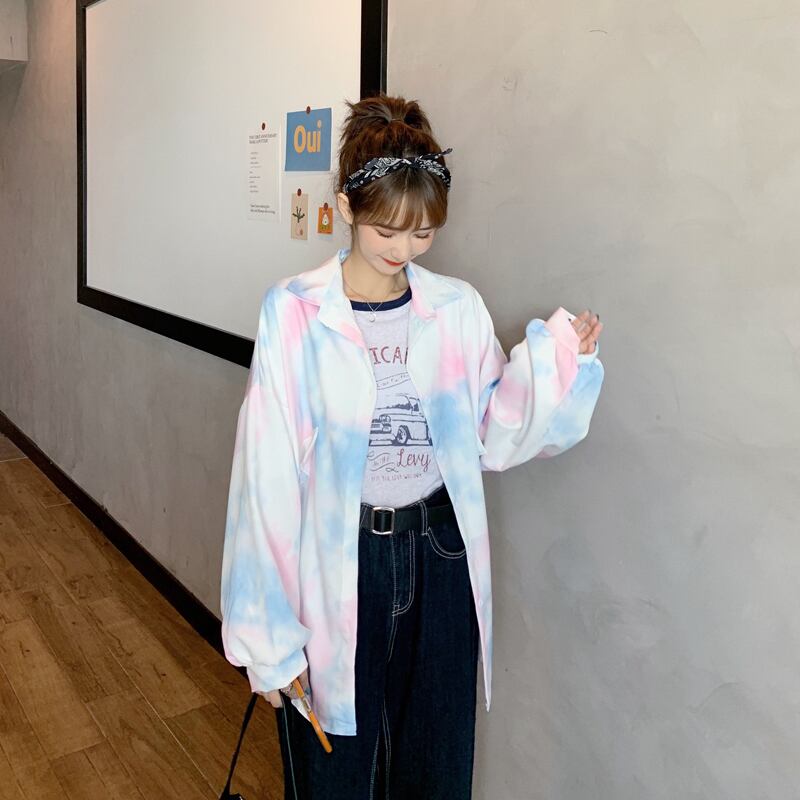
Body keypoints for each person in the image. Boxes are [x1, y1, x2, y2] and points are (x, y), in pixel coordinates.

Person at [220, 93, 604, 799]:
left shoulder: (455, 307)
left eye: (423, 233)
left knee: (437, 765)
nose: (403, 250)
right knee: (334, 773)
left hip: (440, 553)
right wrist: (267, 641)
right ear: (347, 205)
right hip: (342, 558)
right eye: (387, 231)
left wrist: (558, 366)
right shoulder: (295, 313)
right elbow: (264, 479)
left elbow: (491, 430)